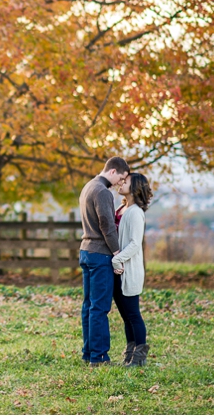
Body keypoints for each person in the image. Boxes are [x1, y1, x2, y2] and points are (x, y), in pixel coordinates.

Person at [78, 156, 129, 366]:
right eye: (121, 177)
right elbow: (107, 225)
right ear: (113, 171)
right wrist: (117, 252)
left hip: (86, 251)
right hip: (100, 254)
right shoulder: (102, 192)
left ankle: (89, 353)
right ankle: (99, 357)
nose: (120, 182)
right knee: (99, 307)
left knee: (89, 305)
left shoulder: (88, 186)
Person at [112, 172, 152, 367]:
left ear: (135, 187)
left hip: (129, 270)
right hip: (118, 270)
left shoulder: (136, 212)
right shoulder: (122, 207)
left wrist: (117, 259)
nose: (121, 183)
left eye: (125, 181)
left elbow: (135, 244)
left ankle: (140, 356)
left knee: (133, 315)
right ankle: (130, 353)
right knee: (125, 316)